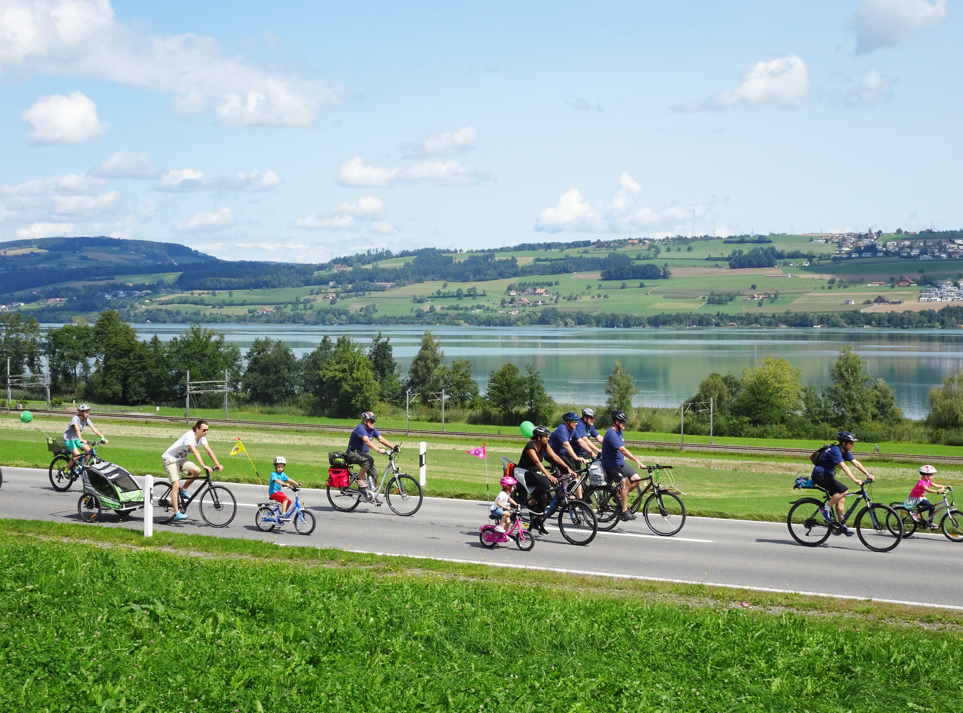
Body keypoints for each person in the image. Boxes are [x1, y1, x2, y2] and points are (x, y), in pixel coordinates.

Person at [810, 431, 873, 537]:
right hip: (820, 475)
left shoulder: (843, 451)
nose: (853, 445)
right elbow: (844, 466)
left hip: (827, 476)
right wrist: (854, 479)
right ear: (844, 443)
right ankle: (825, 509)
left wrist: (868, 474)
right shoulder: (835, 450)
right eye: (851, 443)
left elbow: (855, 463)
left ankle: (841, 525)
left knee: (840, 498)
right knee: (843, 490)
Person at [515, 425, 574, 535]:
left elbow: (555, 457)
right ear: (538, 438)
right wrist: (548, 475)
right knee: (545, 482)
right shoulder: (530, 446)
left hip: (534, 473)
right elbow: (537, 462)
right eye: (545, 436)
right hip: (522, 472)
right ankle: (532, 502)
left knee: (546, 496)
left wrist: (568, 468)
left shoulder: (545, 445)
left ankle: (538, 521)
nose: (548, 438)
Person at [161, 419, 223, 522]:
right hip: (170, 460)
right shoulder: (190, 436)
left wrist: (217, 464)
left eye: (207, 430)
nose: (206, 432)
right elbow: (194, 451)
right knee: (176, 484)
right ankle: (176, 513)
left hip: (180, 459)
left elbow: (208, 450)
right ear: (197, 429)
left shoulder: (202, 437)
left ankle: (183, 489)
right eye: (204, 430)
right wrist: (204, 465)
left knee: (196, 471)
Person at [600, 410, 647, 521]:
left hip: (620, 463)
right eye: (622, 421)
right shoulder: (611, 433)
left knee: (637, 480)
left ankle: (618, 495)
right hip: (610, 463)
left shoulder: (620, 431)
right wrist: (637, 460)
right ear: (616, 421)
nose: (624, 423)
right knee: (625, 483)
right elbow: (623, 450)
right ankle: (624, 511)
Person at [346, 411, 395, 488]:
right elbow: (367, 441)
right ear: (365, 421)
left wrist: (393, 447)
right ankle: (359, 478)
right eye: (371, 421)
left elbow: (381, 439)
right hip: (353, 453)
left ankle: (372, 495)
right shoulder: (360, 428)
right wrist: (378, 450)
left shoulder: (372, 429)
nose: (373, 423)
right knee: (369, 459)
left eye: (374, 421)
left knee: (375, 473)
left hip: (363, 454)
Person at [63, 404, 108, 472]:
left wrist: (102, 438)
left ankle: (85, 468)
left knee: (88, 451)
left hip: (76, 438)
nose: (88, 414)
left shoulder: (86, 420)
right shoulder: (75, 419)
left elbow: (94, 429)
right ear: (81, 412)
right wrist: (81, 439)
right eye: (86, 412)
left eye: (88, 412)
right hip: (68, 439)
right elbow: (77, 430)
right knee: (77, 455)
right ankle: (65, 470)